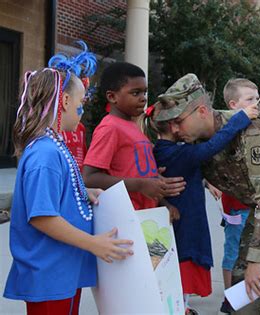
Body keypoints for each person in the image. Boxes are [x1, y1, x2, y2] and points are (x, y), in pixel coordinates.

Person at [155, 74, 260, 315]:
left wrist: (257, 260)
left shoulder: (248, 130)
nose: (173, 129)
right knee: (243, 286)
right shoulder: (193, 142)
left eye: (178, 121)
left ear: (201, 111)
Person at [4, 43, 133, 315]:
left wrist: (82, 191)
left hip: (62, 270)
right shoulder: (45, 154)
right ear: (64, 102)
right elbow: (42, 217)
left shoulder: (53, 146)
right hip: (50, 275)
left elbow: (51, 194)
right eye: (80, 104)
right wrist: (94, 244)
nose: (81, 111)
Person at [143, 97, 259, 315]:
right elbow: (212, 147)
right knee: (180, 273)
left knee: (169, 273)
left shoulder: (162, 151)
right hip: (185, 223)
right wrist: (240, 118)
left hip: (171, 221)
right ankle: (179, 308)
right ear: (173, 125)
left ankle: (181, 307)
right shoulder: (178, 152)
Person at [82, 62, 186, 210]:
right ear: (112, 97)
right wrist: (140, 184)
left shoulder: (133, 126)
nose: (143, 98)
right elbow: (89, 178)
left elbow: (137, 172)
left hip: (146, 217)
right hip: (124, 217)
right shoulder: (110, 128)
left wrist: (164, 204)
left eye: (144, 92)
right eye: (136, 93)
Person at [219, 78, 260, 314]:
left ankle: (245, 293)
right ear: (233, 105)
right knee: (233, 250)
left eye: (257, 99)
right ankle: (229, 296)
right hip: (235, 204)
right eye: (250, 99)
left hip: (254, 203)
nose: (257, 103)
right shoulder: (228, 129)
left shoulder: (255, 127)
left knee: (250, 250)